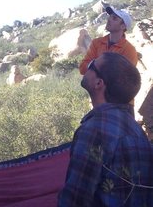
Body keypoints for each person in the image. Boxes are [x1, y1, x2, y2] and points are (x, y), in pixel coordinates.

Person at [58, 52, 153, 206]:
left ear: (98, 83)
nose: (86, 67)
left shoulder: (95, 130)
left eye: (91, 65)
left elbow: (75, 200)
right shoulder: (135, 129)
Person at [79, 3, 138, 74]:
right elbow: (82, 68)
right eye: (110, 16)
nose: (109, 19)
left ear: (123, 26)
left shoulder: (129, 51)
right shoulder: (96, 43)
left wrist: (94, 66)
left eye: (114, 18)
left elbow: (126, 78)